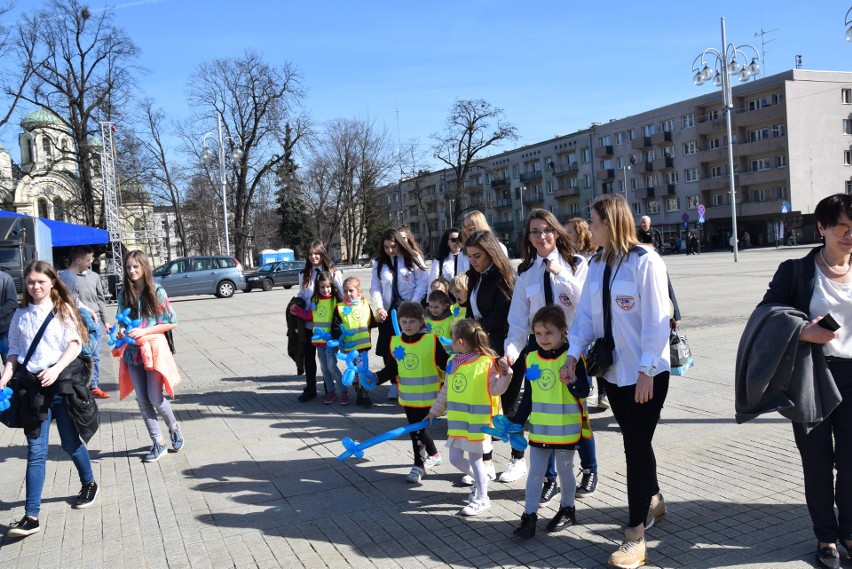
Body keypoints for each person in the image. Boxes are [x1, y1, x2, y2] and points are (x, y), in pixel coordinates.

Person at [738, 193, 852, 569]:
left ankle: (849, 530)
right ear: (821, 228)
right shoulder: (797, 271)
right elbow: (766, 314)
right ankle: (826, 537)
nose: (849, 236)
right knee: (817, 462)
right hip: (813, 375)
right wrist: (804, 330)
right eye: (842, 228)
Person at [561, 194, 671, 569]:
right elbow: (586, 320)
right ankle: (653, 498)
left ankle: (635, 535)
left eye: (593, 221)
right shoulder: (596, 263)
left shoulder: (646, 262)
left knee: (635, 448)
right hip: (613, 373)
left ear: (610, 222)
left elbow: (658, 320)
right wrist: (572, 354)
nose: (589, 228)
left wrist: (647, 371)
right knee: (636, 442)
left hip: (646, 374)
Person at [2, 261, 99, 538]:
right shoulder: (20, 314)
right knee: (36, 452)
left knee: (70, 443)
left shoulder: (63, 310)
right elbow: (15, 351)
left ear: (52, 282)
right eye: (31, 282)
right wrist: (5, 375)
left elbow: (74, 344)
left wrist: (56, 369)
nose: (35, 287)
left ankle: (89, 482)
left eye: (41, 282)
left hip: (60, 389)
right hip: (33, 392)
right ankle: (32, 516)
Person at [505, 208, 590, 491]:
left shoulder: (576, 263)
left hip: (572, 348)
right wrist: (511, 353)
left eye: (547, 230)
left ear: (556, 231)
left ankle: (589, 467)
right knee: (542, 414)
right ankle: (549, 478)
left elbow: (586, 307)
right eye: (535, 231)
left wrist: (562, 276)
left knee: (577, 409)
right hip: (538, 349)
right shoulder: (526, 273)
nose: (542, 236)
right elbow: (518, 321)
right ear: (528, 237)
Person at [511, 306, 590, 538]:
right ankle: (529, 516)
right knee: (536, 473)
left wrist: (572, 379)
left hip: (566, 430)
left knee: (565, 472)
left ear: (563, 332)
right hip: (540, 430)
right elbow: (529, 395)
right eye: (538, 334)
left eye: (549, 333)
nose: (543, 339)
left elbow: (584, 390)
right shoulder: (531, 357)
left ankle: (567, 510)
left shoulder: (572, 357)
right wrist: (517, 421)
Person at [425, 319, 513, 517]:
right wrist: (434, 411)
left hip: (479, 424)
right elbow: (446, 391)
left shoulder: (487, 363)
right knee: (455, 458)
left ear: (461, 342)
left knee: (475, 461)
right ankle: (480, 481)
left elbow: (497, 390)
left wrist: (506, 375)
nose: (451, 343)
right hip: (458, 423)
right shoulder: (452, 362)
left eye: (453, 339)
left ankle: (483, 498)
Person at [115, 251, 183, 463]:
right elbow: (122, 321)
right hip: (133, 353)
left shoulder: (157, 292)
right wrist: (120, 330)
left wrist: (145, 331)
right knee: (143, 400)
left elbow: (172, 321)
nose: (132, 271)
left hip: (153, 351)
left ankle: (173, 426)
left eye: (136, 267)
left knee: (155, 397)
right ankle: (158, 443)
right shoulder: (124, 293)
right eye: (128, 267)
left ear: (144, 267)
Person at [463, 229, 516, 482]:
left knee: (508, 407)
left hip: (503, 348)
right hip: (481, 348)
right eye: (470, 256)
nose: (473, 261)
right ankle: (486, 462)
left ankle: (518, 459)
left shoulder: (503, 277)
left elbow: (500, 316)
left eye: (477, 256)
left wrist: (474, 329)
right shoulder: (475, 276)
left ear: (491, 254)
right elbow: (469, 308)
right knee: (485, 408)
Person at [377, 301, 449, 483]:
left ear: (421, 322)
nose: (408, 325)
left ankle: (419, 465)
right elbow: (391, 369)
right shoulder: (395, 343)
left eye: (412, 321)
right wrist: (375, 378)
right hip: (409, 399)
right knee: (418, 430)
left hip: (430, 399)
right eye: (404, 321)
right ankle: (434, 454)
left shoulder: (431, 341)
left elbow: (446, 364)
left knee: (416, 431)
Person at [370, 228, 429, 399]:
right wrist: (379, 307)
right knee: (390, 349)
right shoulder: (379, 263)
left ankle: (413, 382)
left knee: (411, 346)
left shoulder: (413, 258)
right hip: (389, 312)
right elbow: (376, 287)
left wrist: (414, 304)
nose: (390, 250)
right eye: (386, 247)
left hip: (410, 310)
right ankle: (395, 383)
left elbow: (422, 283)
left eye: (393, 246)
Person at [566, 216, 609, 411]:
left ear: (580, 233)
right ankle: (588, 385)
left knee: (598, 353)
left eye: (569, 232)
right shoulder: (568, 256)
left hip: (594, 314)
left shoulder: (594, 256)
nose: (566, 236)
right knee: (585, 354)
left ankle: (603, 393)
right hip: (578, 315)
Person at [296, 241, 344, 402]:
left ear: (322, 254)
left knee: (328, 359)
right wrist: (296, 305)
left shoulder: (332, 272)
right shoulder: (304, 274)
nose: (313, 257)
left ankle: (329, 388)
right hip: (310, 323)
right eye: (310, 254)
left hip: (328, 324)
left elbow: (341, 295)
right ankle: (310, 388)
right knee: (310, 358)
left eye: (316, 253)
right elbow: (302, 295)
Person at [60, 245, 110, 398]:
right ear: (78, 260)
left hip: (90, 319)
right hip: (80, 323)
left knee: (94, 355)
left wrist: (101, 318)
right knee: (84, 355)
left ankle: (92, 386)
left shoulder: (92, 276)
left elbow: (96, 300)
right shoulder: (68, 278)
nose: (91, 262)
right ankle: (83, 386)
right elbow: (69, 303)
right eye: (88, 260)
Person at [290, 272, 346, 405]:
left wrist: (340, 339)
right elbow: (310, 316)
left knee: (332, 367)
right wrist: (298, 311)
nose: (325, 290)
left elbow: (341, 320)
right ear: (318, 288)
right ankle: (330, 392)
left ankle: (343, 391)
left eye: (328, 287)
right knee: (325, 369)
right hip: (319, 342)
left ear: (332, 286)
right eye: (322, 287)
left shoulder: (335, 301)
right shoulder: (315, 301)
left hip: (331, 342)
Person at [333, 276, 377, 407]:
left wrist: (380, 319)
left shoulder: (365, 304)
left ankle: (364, 394)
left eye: (351, 290)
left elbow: (372, 322)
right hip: (350, 348)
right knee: (354, 372)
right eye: (345, 291)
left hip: (363, 346)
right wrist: (339, 338)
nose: (348, 294)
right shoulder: (340, 308)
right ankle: (359, 393)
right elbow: (335, 326)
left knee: (363, 370)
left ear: (359, 291)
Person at [0, 268, 17, 364]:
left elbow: (12, 302)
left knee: (9, 362)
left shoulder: (5, 278)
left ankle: (9, 379)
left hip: (5, 329)